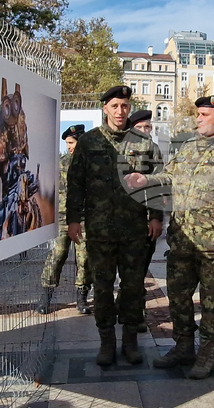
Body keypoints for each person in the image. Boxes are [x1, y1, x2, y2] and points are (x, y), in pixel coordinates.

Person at [126, 96, 214, 379]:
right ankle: (183, 346)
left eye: (204, 114)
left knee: (212, 303)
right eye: (198, 114)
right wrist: (146, 180)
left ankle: (206, 354)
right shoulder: (188, 147)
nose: (198, 118)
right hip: (182, 241)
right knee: (178, 298)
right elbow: (169, 176)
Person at [66, 86, 163, 366]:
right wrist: (73, 219)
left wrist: (156, 216)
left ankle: (130, 341)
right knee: (103, 287)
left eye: (124, 106)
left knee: (133, 288)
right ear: (105, 108)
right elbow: (76, 182)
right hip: (100, 231)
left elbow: (157, 182)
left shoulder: (144, 143)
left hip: (134, 229)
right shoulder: (89, 142)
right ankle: (106, 342)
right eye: (115, 106)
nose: (120, 111)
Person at [38, 124, 92, 315]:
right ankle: (46, 296)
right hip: (62, 219)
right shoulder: (60, 164)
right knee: (57, 256)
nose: (69, 147)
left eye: (71, 142)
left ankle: (82, 298)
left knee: (84, 259)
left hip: (84, 220)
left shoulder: (92, 165)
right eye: (67, 143)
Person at [127, 109, 164, 334]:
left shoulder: (153, 150)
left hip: (143, 220)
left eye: (147, 127)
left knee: (139, 270)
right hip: (118, 220)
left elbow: (158, 186)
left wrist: (156, 217)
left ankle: (137, 312)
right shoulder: (119, 147)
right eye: (139, 127)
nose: (144, 131)